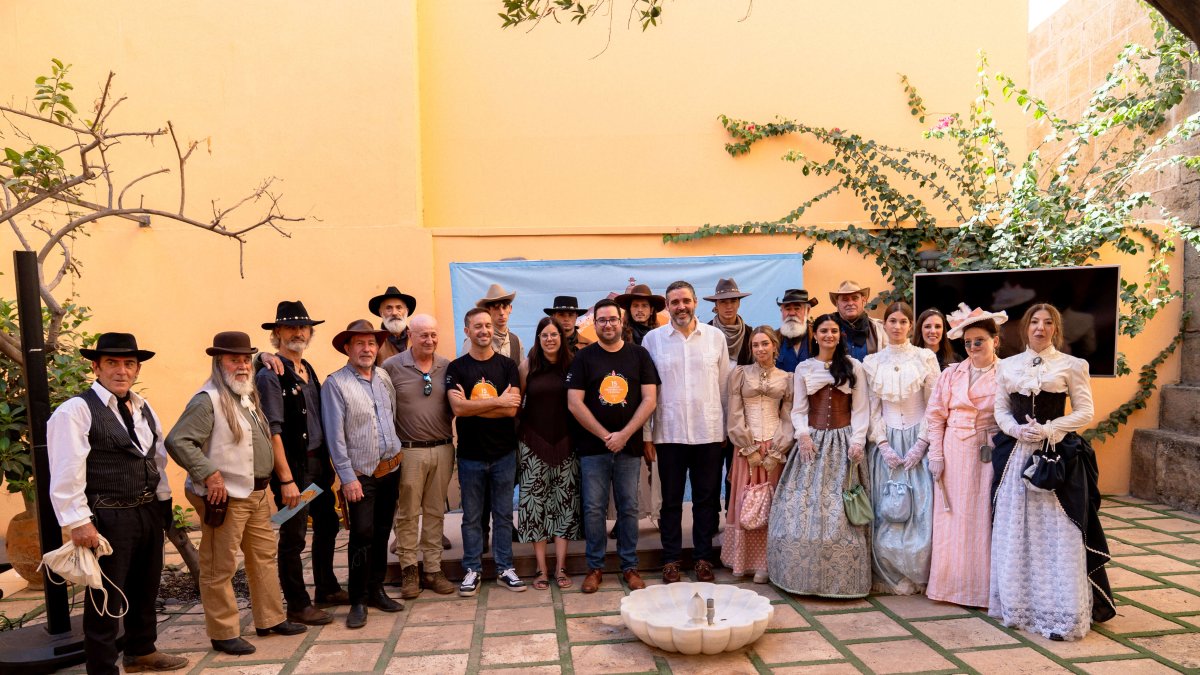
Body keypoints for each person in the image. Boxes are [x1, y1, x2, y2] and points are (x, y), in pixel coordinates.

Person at [46, 333, 188, 675]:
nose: (121, 370)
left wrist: (163, 503)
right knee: (105, 597)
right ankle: (102, 668)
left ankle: (141, 652)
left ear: (137, 369)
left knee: (145, 586)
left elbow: (156, 459)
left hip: (147, 510)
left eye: (128, 364)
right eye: (112, 363)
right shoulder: (76, 410)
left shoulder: (143, 407)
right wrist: (78, 520)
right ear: (96, 366)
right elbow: (67, 469)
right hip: (107, 516)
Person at [167, 332, 306, 655]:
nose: (242, 365)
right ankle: (223, 631)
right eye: (234, 359)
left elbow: (256, 366)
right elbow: (178, 440)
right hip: (226, 496)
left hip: (255, 493)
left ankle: (270, 619)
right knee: (220, 566)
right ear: (219, 363)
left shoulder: (244, 392)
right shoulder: (208, 400)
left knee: (263, 557)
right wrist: (208, 473)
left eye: (245, 359)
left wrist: (262, 359)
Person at [989, 303, 1115, 640]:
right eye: (1034, 322)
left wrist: (1048, 429)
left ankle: (1061, 614)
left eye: (1047, 323)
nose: (1040, 328)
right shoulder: (1008, 365)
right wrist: (1017, 431)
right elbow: (1000, 409)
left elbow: (1085, 411)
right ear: (1025, 328)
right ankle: (1017, 607)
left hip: (1054, 456)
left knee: (1059, 533)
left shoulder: (1073, 365)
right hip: (1016, 456)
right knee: (1016, 529)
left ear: (1055, 329)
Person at [767, 313, 870, 597]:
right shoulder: (804, 368)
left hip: (842, 440)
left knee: (840, 510)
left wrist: (857, 440)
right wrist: (802, 435)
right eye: (824, 331)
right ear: (815, 335)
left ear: (840, 335)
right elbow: (798, 409)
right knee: (803, 507)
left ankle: (841, 580)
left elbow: (861, 409)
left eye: (834, 331)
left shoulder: (853, 367)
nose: (829, 335)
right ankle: (804, 576)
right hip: (813, 442)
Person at [254, 301, 344, 625]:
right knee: (293, 536)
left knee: (328, 524)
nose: (298, 332)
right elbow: (273, 429)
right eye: (290, 327)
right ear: (277, 333)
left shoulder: (308, 367)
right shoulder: (270, 374)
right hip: (296, 470)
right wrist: (287, 479)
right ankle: (297, 603)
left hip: (318, 466)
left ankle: (327, 587)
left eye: (303, 327)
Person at [567, 300, 660, 592]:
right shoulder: (584, 358)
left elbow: (650, 399)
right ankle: (595, 567)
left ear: (622, 323)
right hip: (593, 448)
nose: (608, 325)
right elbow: (574, 402)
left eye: (613, 320)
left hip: (628, 448)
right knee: (593, 509)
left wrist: (625, 434)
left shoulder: (639, 355)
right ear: (595, 325)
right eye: (602, 321)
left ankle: (629, 566)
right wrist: (606, 435)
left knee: (628, 508)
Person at [642, 281, 731, 583]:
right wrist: (646, 434)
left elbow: (724, 387)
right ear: (666, 306)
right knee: (670, 501)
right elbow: (647, 392)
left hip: (708, 432)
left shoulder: (715, 338)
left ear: (695, 303)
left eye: (685, 300)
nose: (681, 306)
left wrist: (725, 428)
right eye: (674, 302)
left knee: (707, 500)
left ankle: (704, 558)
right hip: (668, 433)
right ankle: (671, 560)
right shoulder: (653, 341)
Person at [320, 320, 406, 629]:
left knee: (383, 531)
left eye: (371, 343)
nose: (367, 349)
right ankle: (357, 598)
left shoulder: (383, 376)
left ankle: (376, 590)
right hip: (360, 475)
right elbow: (335, 435)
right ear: (347, 348)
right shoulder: (335, 384)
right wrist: (347, 478)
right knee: (362, 535)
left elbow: (391, 415)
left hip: (390, 468)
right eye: (360, 343)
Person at [923, 303, 1005, 608]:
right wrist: (936, 455)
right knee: (951, 515)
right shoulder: (951, 374)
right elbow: (934, 416)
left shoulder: (1007, 374)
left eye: (979, 341)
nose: (972, 347)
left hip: (988, 450)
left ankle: (981, 590)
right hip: (953, 449)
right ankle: (949, 586)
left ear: (995, 341)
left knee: (982, 516)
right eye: (968, 342)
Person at [446, 307, 525, 596]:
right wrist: (497, 402)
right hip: (470, 455)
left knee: (503, 515)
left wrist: (474, 407)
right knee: (471, 517)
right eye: (477, 326)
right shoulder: (457, 368)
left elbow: (512, 410)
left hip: (504, 453)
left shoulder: (507, 366)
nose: (484, 331)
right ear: (467, 331)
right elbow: (458, 409)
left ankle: (505, 567)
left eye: (488, 326)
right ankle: (472, 569)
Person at [862, 302, 939, 595]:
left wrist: (922, 443)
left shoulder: (925, 357)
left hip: (918, 439)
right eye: (891, 321)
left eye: (902, 321)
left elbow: (934, 403)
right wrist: (882, 444)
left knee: (920, 507)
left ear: (910, 325)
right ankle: (888, 573)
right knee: (888, 508)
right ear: (885, 325)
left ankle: (917, 572)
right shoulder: (873, 361)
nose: (897, 326)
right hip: (888, 443)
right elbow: (872, 407)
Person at [382, 313, 458, 598]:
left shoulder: (447, 366)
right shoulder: (391, 367)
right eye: (423, 335)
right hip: (409, 451)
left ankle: (433, 570)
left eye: (433, 334)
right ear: (410, 336)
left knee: (437, 512)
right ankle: (409, 571)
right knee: (408, 514)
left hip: (442, 447)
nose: (429, 340)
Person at [722, 326, 793, 584]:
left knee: (771, 504)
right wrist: (748, 447)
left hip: (774, 447)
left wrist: (777, 450)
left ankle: (767, 562)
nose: (760, 349)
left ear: (775, 346)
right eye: (755, 345)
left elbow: (788, 417)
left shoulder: (787, 378)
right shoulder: (740, 374)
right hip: (747, 448)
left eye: (765, 344)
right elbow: (735, 413)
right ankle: (743, 560)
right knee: (746, 501)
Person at [517, 317, 582, 591]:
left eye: (554, 334)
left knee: (564, 508)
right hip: (533, 445)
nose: (549, 339)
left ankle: (561, 567)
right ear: (538, 338)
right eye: (544, 335)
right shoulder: (527, 366)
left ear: (562, 337)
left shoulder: (574, 365)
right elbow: (517, 404)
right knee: (536, 508)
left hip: (567, 444)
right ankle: (541, 569)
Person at [462, 283, 523, 361]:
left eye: (504, 307)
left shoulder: (516, 341)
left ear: (510, 308)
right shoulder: (474, 340)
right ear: (488, 310)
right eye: (496, 308)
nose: (501, 313)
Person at [829, 280, 885, 361]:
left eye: (855, 298)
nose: (850, 303)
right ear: (837, 303)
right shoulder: (827, 330)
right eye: (845, 300)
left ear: (863, 300)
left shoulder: (879, 328)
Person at [704, 278, 754, 367]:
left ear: (739, 303)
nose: (729, 306)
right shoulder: (706, 332)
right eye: (723, 302)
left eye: (733, 301)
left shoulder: (749, 333)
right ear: (716, 305)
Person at [369, 285, 417, 363]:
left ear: (407, 311)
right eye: (389, 308)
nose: (394, 313)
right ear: (381, 313)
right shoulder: (374, 341)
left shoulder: (417, 339)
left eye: (399, 308)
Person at [775, 288, 818, 373]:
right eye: (787, 309)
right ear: (781, 311)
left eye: (797, 308)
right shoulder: (773, 338)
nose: (791, 313)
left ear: (807, 311)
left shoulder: (817, 336)